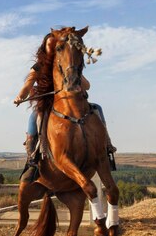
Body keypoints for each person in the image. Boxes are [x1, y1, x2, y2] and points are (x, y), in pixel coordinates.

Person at [14, 40, 115, 182]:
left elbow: (87, 86)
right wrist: (20, 96)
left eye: (54, 44)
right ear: (44, 47)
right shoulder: (38, 66)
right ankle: (33, 161)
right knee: (33, 117)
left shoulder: (67, 63)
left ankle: (106, 147)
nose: (51, 47)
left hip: (71, 102)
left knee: (97, 108)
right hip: (49, 103)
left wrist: (76, 76)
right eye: (49, 44)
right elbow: (27, 85)